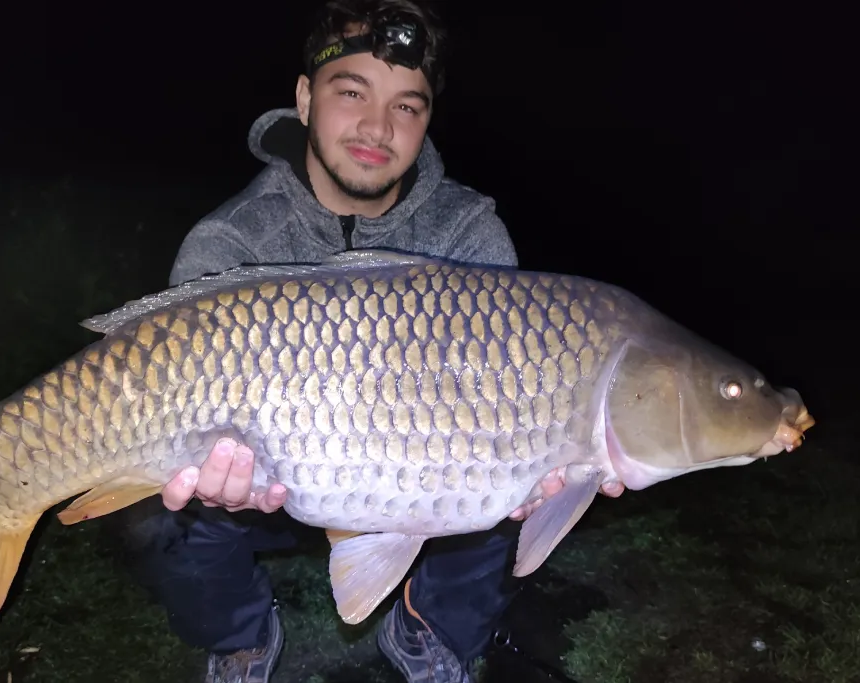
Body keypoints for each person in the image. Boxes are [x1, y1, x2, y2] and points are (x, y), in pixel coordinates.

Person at [115, 2, 625, 682]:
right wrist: (209, 482)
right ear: (305, 97)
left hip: (420, 480)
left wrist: (542, 466)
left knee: (506, 489)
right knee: (156, 510)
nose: (378, 127)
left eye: (407, 106)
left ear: (427, 121)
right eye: (352, 92)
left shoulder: (470, 236)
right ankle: (240, 636)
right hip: (266, 481)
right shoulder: (230, 241)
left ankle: (426, 625)